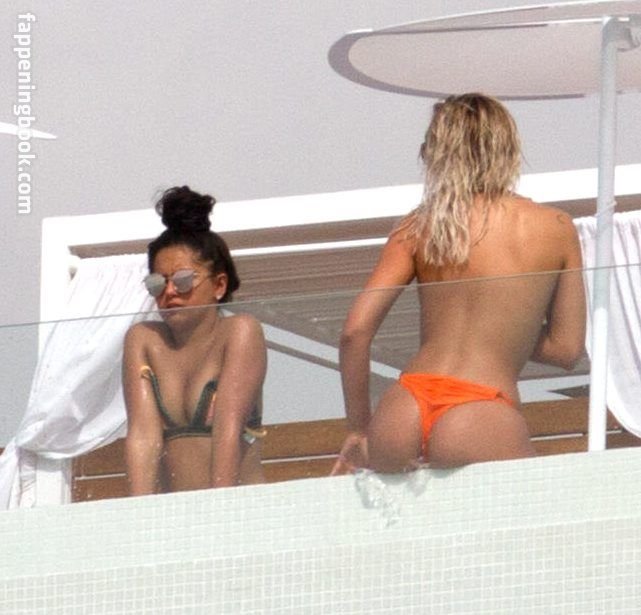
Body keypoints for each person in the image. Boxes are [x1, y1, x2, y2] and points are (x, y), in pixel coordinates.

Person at [333, 93, 586, 474]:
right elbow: (566, 350)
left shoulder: (419, 225)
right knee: (536, 508)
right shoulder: (555, 227)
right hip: (481, 407)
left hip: (405, 405)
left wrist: (358, 428)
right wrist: (507, 324)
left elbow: (354, 332)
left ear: (436, 154)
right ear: (508, 149)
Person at [123, 186, 267, 494]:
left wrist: (217, 509)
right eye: (157, 283)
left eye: (183, 281)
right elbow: (143, 438)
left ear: (219, 285)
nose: (169, 292)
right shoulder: (144, 340)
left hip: (238, 507)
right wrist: (137, 514)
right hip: (172, 513)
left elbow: (228, 430)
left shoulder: (240, 332)